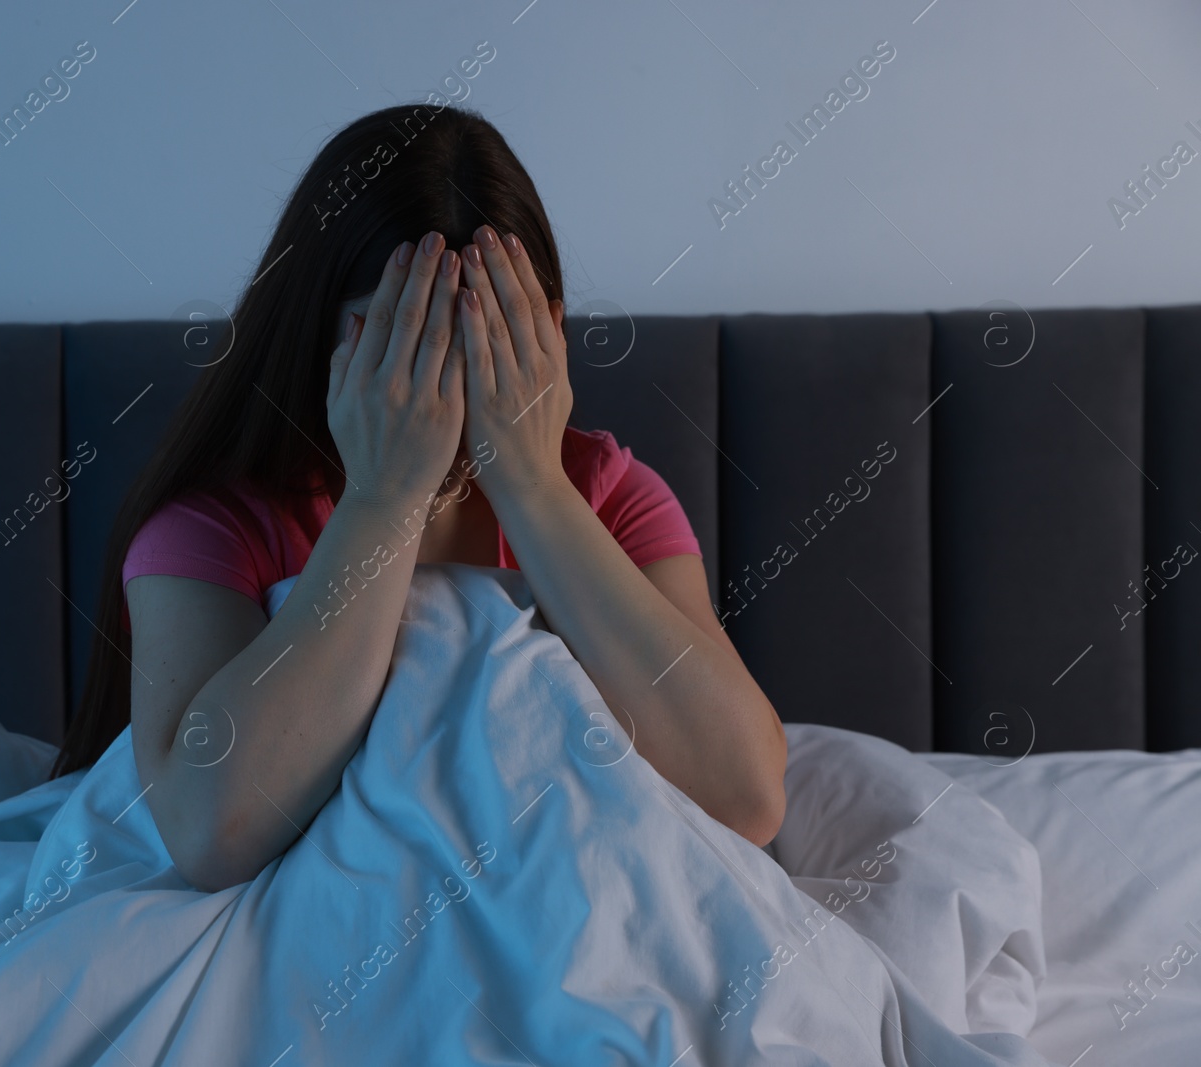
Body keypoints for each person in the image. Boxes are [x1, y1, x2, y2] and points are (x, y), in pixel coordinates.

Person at [51, 104, 786, 892]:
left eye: (491, 330)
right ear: (318, 335)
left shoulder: (608, 496)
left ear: (550, 334)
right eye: (402, 334)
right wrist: (383, 499)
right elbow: (211, 829)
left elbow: (744, 794)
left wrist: (533, 485)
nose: (447, 370)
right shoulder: (214, 526)